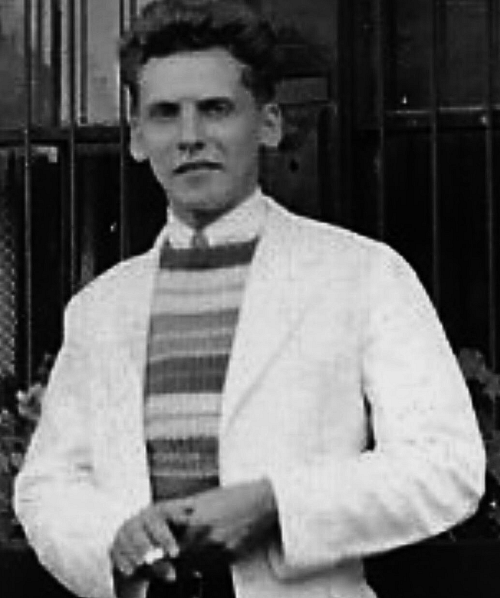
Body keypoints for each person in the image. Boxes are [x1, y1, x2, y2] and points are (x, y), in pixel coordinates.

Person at [14, 1, 485, 598]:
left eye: (216, 109)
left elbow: (446, 464)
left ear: (268, 124)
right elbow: (48, 484)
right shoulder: (100, 308)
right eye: (165, 113)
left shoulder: (362, 274)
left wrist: (276, 505)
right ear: (136, 137)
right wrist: (114, 543)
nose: (190, 137)